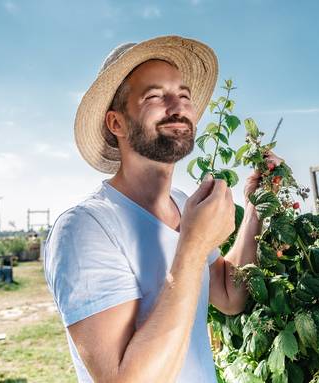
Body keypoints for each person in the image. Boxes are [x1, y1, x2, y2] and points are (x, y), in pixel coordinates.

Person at [43, 35, 281, 382]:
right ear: (116, 123)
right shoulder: (86, 228)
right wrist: (194, 243)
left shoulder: (183, 205)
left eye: (184, 95)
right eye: (155, 96)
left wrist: (254, 207)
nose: (178, 105)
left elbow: (229, 295)